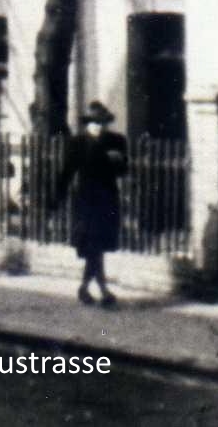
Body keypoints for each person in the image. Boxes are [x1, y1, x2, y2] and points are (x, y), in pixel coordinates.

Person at [58, 101, 128, 307]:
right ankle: (102, 290)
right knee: (93, 246)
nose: (98, 126)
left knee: (97, 247)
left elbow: (124, 170)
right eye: (93, 122)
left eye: (102, 122)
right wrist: (58, 198)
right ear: (87, 123)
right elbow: (67, 172)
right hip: (86, 201)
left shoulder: (116, 141)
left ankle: (87, 288)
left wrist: (117, 161)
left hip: (107, 200)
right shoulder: (77, 142)